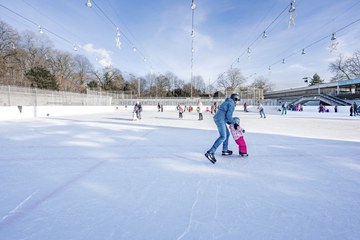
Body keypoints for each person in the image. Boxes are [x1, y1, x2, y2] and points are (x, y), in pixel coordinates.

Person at [205, 93, 240, 164]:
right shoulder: (231, 104)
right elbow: (229, 116)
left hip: (220, 119)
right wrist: (234, 122)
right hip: (220, 120)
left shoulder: (227, 102)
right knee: (223, 136)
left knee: (227, 134)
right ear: (235, 99)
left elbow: (226, 115)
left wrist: (231, 122)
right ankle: (210, 152)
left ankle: (225, 150)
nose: (237, 102)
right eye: (237, 100)